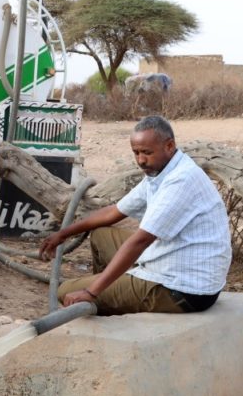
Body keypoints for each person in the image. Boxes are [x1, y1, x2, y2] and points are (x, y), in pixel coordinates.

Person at [39, 115, 232, 315]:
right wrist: (64, 233)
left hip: (183, 289)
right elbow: (114, 212)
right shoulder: (160, 171)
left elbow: (141, 240)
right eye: (136, 152)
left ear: (169, 146)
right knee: (101, 234)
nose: (140, 160)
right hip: (170, 259)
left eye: (147, 152)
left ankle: (105, 301)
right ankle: (113, 297)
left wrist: (91, 291)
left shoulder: (181, 180)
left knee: (65, 291)